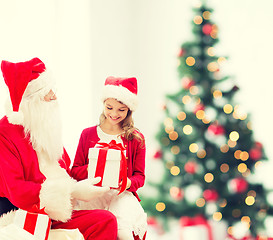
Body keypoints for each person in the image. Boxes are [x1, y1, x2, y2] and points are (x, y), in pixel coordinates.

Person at [0, 58, 118, 240]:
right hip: (23, 214)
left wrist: (97, 170)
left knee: (105, 219)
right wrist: (73, 191)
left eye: (53, 89)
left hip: (56, 212)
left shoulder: (42, 126)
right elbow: (17, 190)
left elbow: (65, 171)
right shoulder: (5, 133)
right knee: (104, 220)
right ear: (31, 100)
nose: (54, 96)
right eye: (47, 92)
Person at [71, 76, 147, 240]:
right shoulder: (88, 134)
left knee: (122, 230)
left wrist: (127, 182)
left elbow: (140, 177)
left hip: (121, 195)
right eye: (109, 107)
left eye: (121, 110)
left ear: (129, 110)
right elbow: (75, 172)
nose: (113, 114)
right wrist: (96, 167)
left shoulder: (136, 138)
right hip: (93, 194)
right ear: (103, 104)